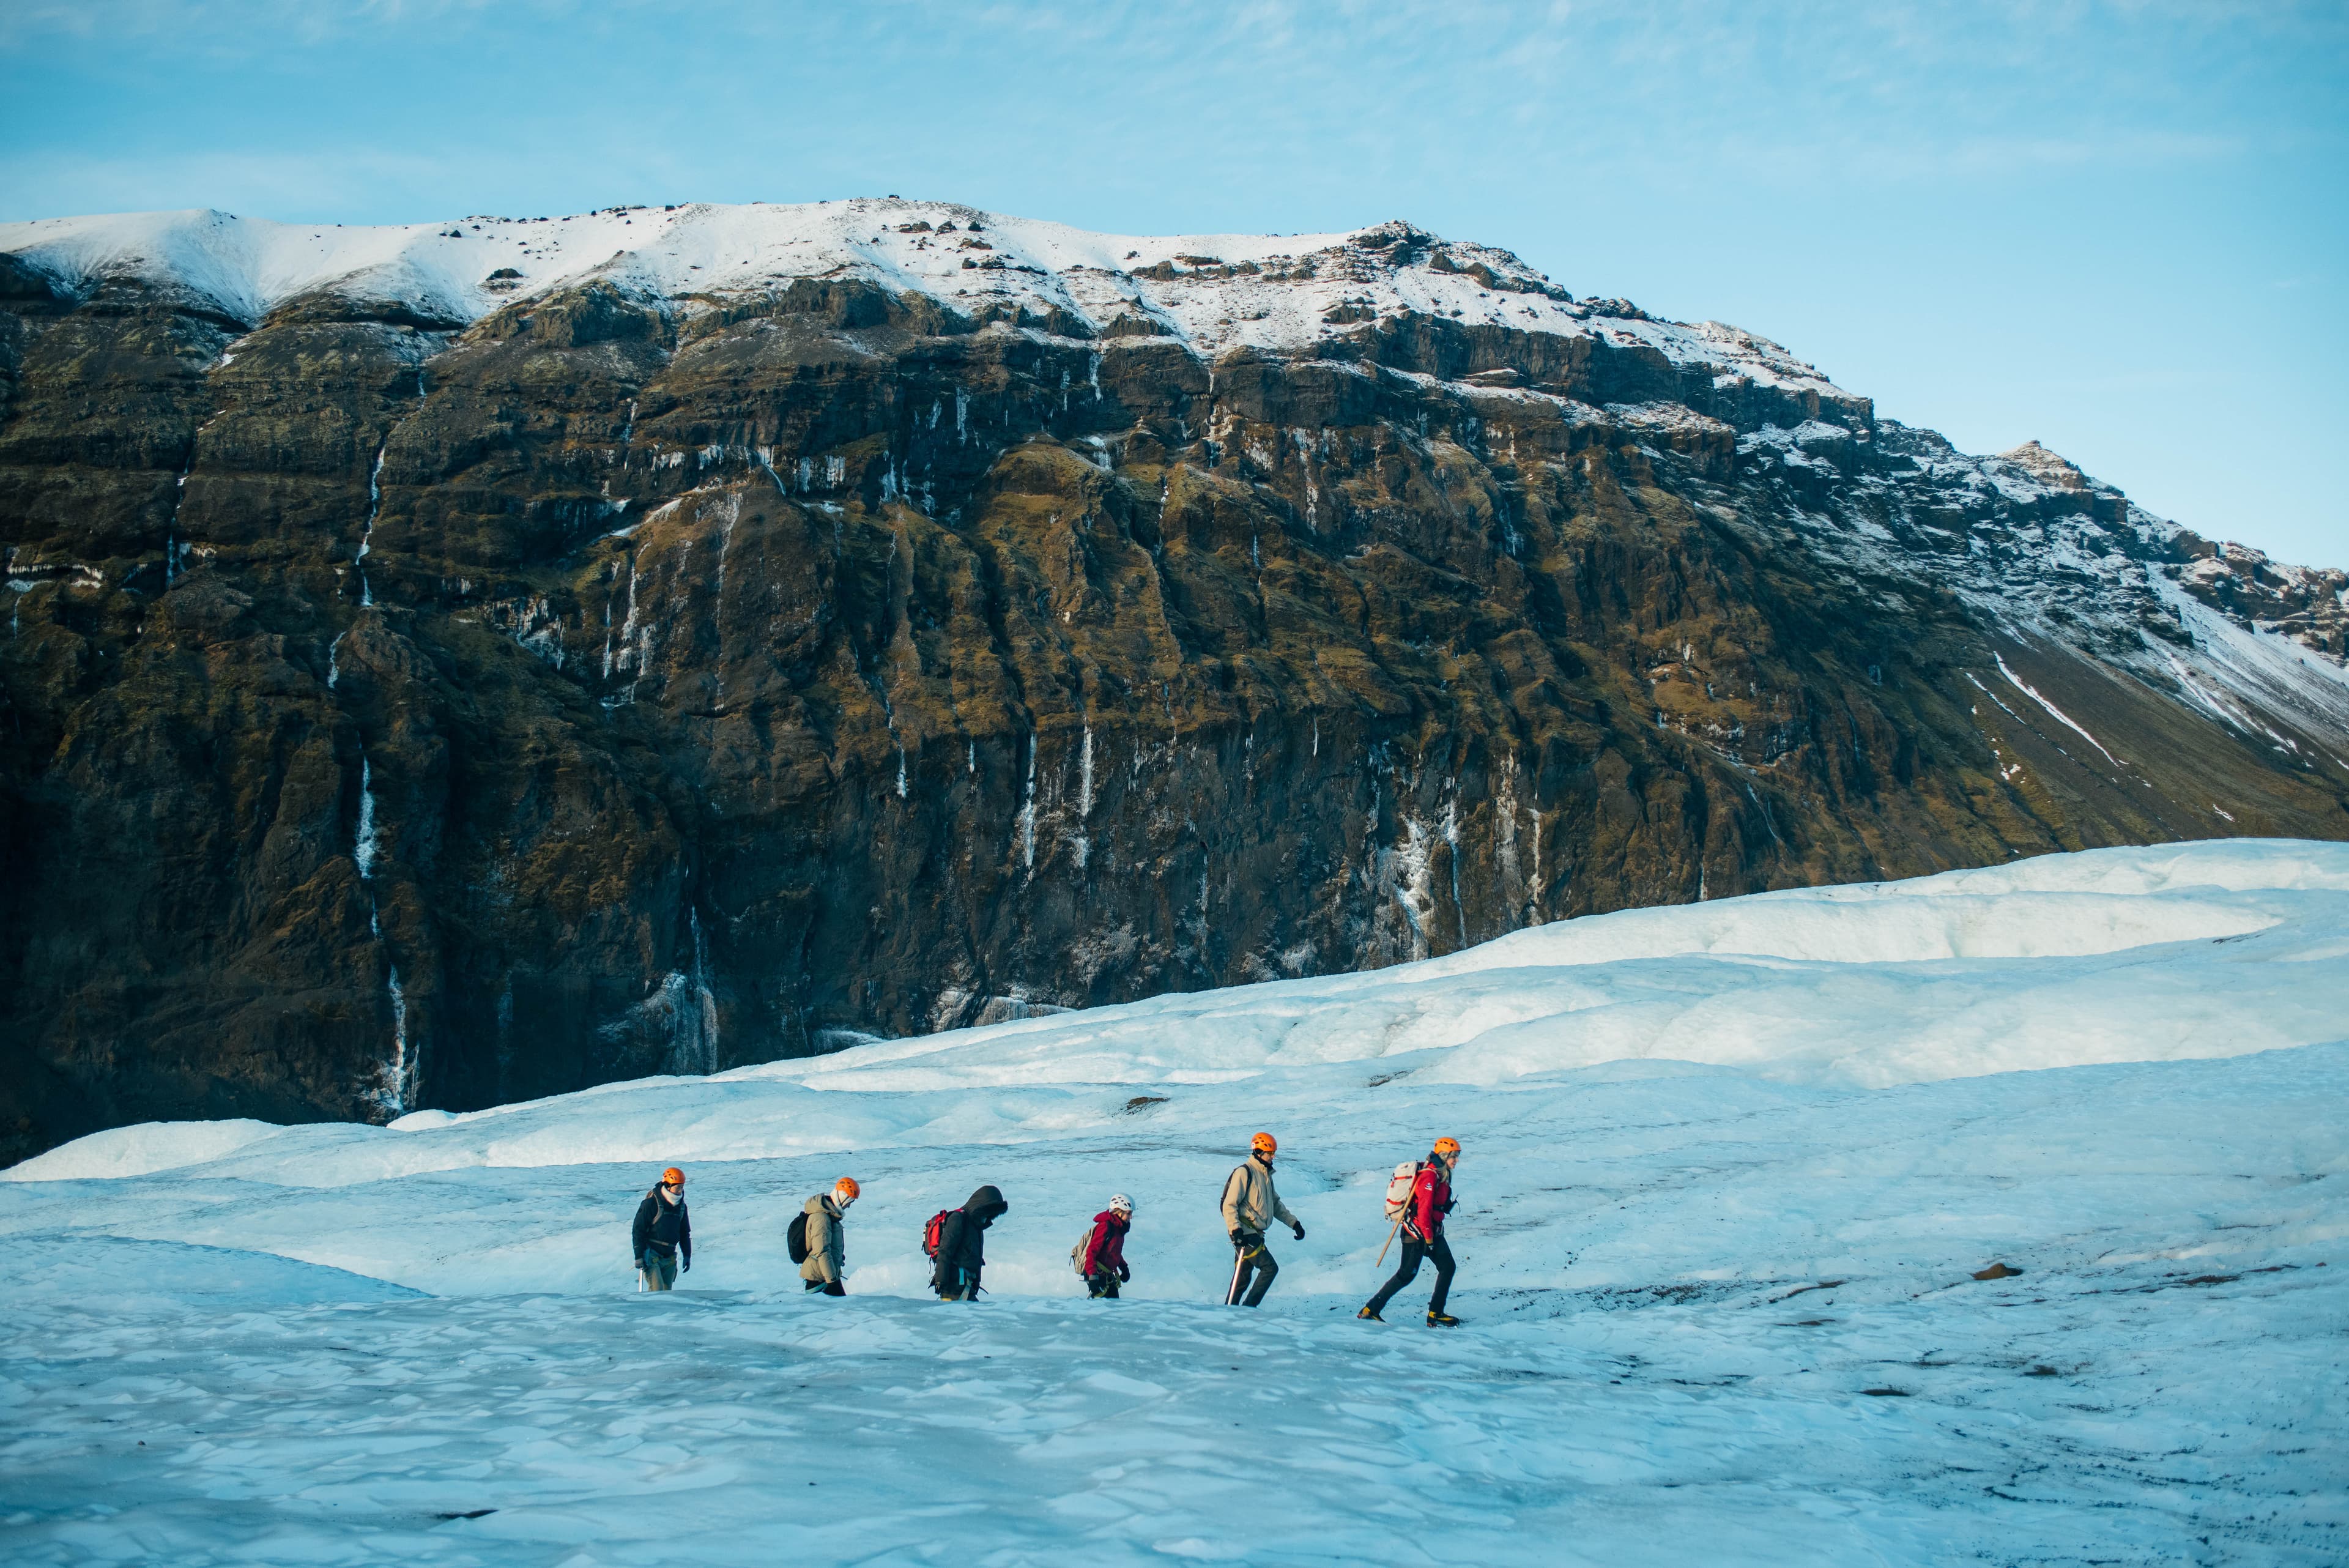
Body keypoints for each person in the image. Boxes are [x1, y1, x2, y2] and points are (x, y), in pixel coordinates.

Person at [1360, 1137, 1461, 1326]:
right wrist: (1429, 1239)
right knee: (1406, 1274)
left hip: (1431, 1232)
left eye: (1457, 1156)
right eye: (1453, 1157)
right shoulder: (1430, 1176)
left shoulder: (1442, 1174)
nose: (1456, 1160)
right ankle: (1370, 1310)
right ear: (1444, 1155)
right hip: (1417, 1234)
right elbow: (1423, 1211)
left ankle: (1436, 1314)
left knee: (1447, 1267)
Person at [1221, 1133, 1304, 1307]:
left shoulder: (1265, 1175)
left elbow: (1275, 1204)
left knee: (1242, 1277)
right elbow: (1230, 1205)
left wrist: (1294, 1224)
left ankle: (1228, 1311)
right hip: (1244, 1233)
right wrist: (1236, 1230)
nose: (1273, 1156)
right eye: (1270, 1153)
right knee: (1270, 1268)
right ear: (1259, 1152)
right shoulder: (1245, 1173)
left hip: (1254, 1234)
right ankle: (1248, 1309)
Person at [932, 1184, 1008, 1301]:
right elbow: (945, 1250)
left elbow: (976, 1258)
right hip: (952, 1289)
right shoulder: (958, 1219)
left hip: (967, 1288)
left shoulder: (977, 1226)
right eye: (988, 1211)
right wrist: (940, 1281)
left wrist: (976, 1283)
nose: (989, 1217)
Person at [631, 1166, 692, 1291]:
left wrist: (687, 1255)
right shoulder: (651, 1204)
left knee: (666, 1292)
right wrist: (639, 1256)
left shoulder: (681, 1207)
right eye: (678, 1187)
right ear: (668, 1185)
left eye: (682, 1187)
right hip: (652, 1255)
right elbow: (638, 1230)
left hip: (669, 1257)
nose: (681, 1190)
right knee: (656, 1290)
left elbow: (684, 1233)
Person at [800, 1176, 859, 1297]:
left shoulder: (830, 1214)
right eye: (850, 1202)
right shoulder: (821, 1218)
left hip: (827, 1277)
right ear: (843, 1199)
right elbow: (822, 1251)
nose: (849, 1206)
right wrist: (833, 1282)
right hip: (820, 1280)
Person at [1080, 1194, 1135, 1298]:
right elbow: (1091, 1251)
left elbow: (1113, 1251)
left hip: (1108, 1276)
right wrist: (1093, 1276)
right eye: (1129, 1213)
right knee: (1101, 1311)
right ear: (1119, 1211)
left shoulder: (1119, 1228)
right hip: (1097, 1275)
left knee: (1113, 1311)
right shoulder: (1105, 1226)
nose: (1131, 1217)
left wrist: (1124, 1267)